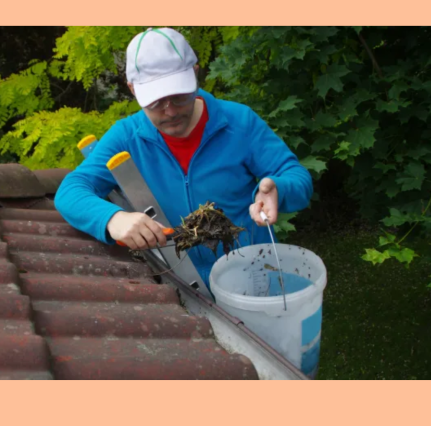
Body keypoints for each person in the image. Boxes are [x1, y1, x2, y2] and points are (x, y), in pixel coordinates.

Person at [55, 27, 313, 289]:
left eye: (179, 96)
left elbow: (297, 177)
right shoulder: (126, 138)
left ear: (195, 73)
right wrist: (112, 219)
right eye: (155, 102)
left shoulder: (239, 122)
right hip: (182, 284)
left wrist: (279, 189)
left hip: (254, 274)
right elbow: (71, 190)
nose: (169, 111)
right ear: (132, 90)